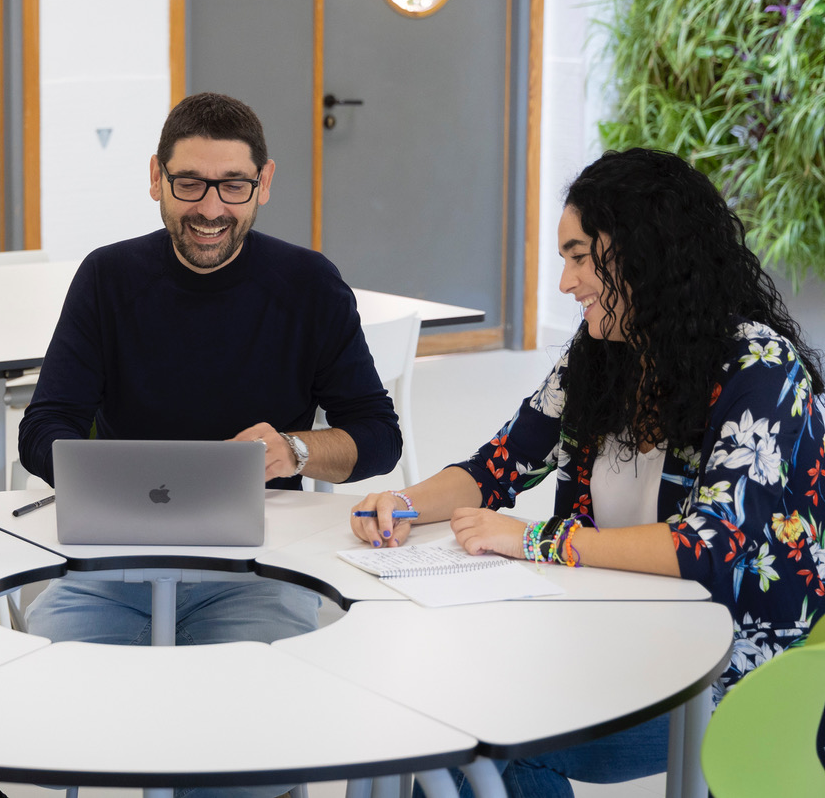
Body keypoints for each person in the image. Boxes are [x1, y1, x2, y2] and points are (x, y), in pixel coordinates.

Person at [351, 147, 825, 797]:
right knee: (435, 718)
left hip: (725, 665)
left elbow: (706, 552)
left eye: (579, 256)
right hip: (613, 630)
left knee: (507, 745)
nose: (565, 283)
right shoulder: (602, 350)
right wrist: (401, 502)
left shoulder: (758, 369)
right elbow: (497, 466)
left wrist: (533, 538)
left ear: (644, 253)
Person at [19, 92, 402, 648]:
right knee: (61, 689)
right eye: (190, 182)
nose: (211, 208)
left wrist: (296, 450)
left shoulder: (310, 285)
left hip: (258, 567)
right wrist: (104, 477)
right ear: (156, 178)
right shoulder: (108, 278)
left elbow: (378, 436)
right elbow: (43, 427)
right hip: (112, 563)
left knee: (249, 706)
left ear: (263, 183)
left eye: (234, 185)